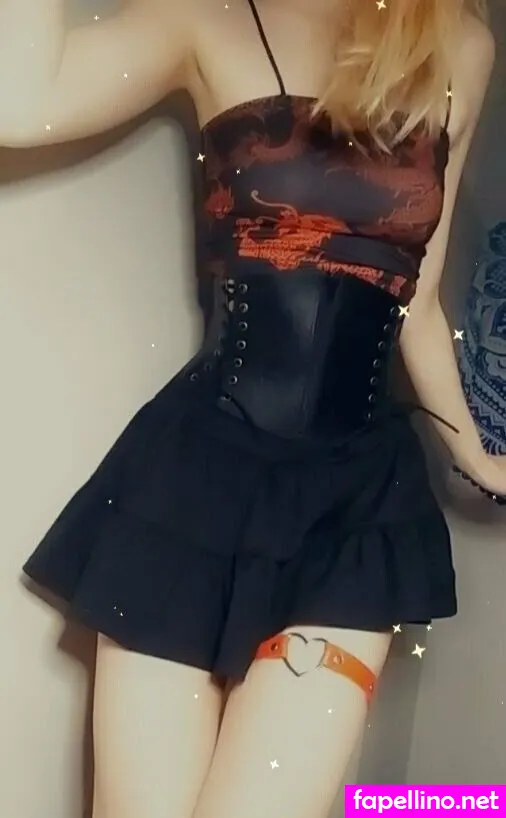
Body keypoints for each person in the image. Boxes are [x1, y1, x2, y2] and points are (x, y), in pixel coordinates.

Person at [5, 0, 499, 815]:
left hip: (356, 506)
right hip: (191, 487)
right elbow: (19, 104)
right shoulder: (206, 16)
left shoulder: (457, 43)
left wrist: (476, 453)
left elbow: (418, 297)